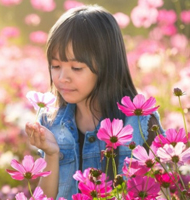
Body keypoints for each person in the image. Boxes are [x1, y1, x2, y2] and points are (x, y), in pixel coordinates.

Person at [25, 4, 164, 200]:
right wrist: (51, 154)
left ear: (107, 65)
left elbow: (161, 189)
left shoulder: (140, 123)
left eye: (76, 68)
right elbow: (45, 197)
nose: (62, 77)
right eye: (55, 65)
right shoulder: (51, 120)